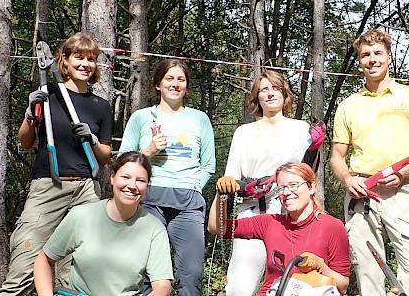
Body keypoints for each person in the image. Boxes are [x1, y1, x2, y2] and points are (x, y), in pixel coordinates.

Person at [0, 32, 113, 295]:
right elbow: (26, 141)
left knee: (77, 272)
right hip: (48, 185)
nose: (85, 64)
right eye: (79, 58)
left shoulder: (100, 106)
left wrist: (93, 140)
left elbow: (105, 156)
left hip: (86, 189)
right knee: (24, 265)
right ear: (65, 61)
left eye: (91, 59)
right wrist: (30, 115)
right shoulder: (47, 94)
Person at [330, 28, 409, 296]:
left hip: (401, 191)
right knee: (368, 270)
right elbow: (336, 157)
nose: (372, 59)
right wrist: (347, 179)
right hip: (362, 193)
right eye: (366, 55)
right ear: (359, 62)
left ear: (389, 57)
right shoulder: (348, 105)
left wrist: (403, 174)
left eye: (378, 53)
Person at [214, 70, 317, 296]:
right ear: (257, 97)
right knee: (239, 286)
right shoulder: (244, 132)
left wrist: (314, 149)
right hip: (252, 214)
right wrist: (241, 186)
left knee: (293, 284)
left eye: (275, 88)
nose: (270, 94)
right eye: (264, 90)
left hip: (289, 215)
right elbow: (230, 178)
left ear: (284, 94)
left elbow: (307, 175)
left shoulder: (301, 130)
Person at [120, 59, 216, 296]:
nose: (175, 84)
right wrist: (148, 152)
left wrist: (193, 186)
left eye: (180, 79)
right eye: (169, 79)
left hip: (188, 204)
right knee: (146, 273)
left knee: (191, 275)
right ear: (158, 84)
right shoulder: (142, 117)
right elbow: (123, 161)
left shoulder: (199, 119)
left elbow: (209, 165)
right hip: (150, 200)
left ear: (186, 86)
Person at [32, 152, 173, 295]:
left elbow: (162, 286)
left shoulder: (154, 229)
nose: (132, 185)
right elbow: (44, 259)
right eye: (126, 177)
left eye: (141, 180)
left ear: (147, 186)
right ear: (112, 177)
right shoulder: (81, 216)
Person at [209, 162, 350, 296]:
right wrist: (221, 195)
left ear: (311, 187)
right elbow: (217, 228)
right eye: (281, 188)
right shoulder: (271, 222)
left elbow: (342, 286)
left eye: (294, 185)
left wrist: (321, 267)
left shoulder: (332, 227)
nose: (287, 192)